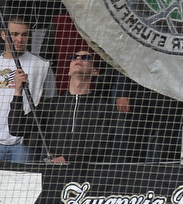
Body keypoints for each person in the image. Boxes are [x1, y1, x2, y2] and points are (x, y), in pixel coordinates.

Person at [8, 47, 110, 163]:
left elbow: (100, 148)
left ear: (94, 71)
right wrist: (18, 92)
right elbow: (16, 128)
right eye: (74, 57)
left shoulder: (103, 107)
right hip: (54, 174)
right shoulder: (51, 105)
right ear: (69, 71)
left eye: (85, 58)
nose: (78, 58)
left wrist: (66, 159)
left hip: (87, 175)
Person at [0, 16, 53, 163]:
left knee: (23, 184)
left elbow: (49, 102)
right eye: (14, 34)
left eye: (24, 35)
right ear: (3, 34)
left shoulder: (41, 65)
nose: (20, 39)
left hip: (24, 141)